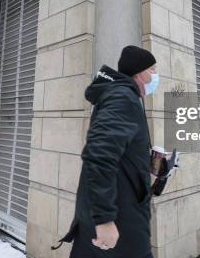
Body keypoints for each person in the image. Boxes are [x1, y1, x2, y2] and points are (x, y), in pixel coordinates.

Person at [54, 45, 159, 258]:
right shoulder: (123, 98)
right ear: (139, 73)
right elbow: (99, 154)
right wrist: (104, 219)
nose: (156, 75)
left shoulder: (123, 96)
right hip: (120, 227)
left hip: (125, 219)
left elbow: (117, 153)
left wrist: (151, 164)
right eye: (153, 70)